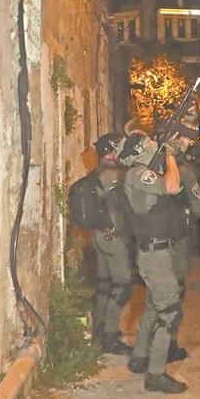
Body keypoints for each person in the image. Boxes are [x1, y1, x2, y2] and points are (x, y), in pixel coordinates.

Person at [120, 129, 191, 394]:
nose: (154, 145)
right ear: (139, 150)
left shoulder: (142, 173)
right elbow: (171, 186)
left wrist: (176, 145)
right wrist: (170, 154)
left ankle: (140, 356)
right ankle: (156, 373)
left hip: (156, 252)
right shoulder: (139, 174)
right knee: (170, 311)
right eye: (149, 142)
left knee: (153, 305)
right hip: (155, 255)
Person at [70, 132, 132, 355]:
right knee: (123, 285)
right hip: (112, 238)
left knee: (105, 285)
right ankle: (110, 336)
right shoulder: (114, 175)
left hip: (99, 236)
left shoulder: (97, 174)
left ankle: (99, 329)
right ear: (113, 151)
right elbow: (121, 207)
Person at [169, 135, 200, 361]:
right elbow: (199, 208)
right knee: (175, 291)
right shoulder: (185, 172)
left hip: (148, 241)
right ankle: (169, 344)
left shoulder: (145, 169)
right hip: (177, 238)